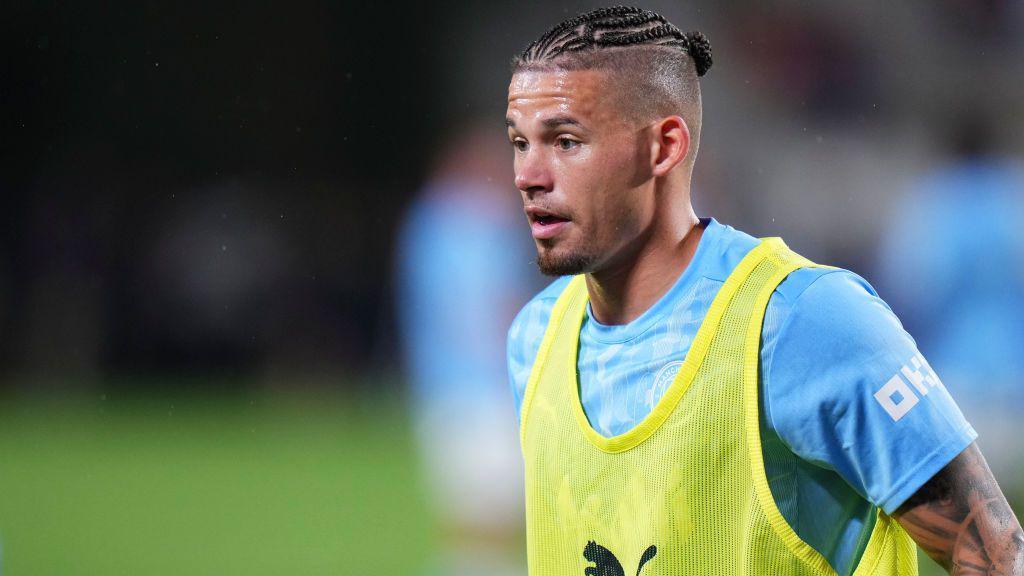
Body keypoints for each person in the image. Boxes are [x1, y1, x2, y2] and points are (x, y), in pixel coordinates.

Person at [503, 6, 1023, 576]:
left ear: (663, 147)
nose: (528, 174)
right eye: (520, 143)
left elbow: (994, 555)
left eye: (567, 141)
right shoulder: (535, 339)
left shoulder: (803, 322)